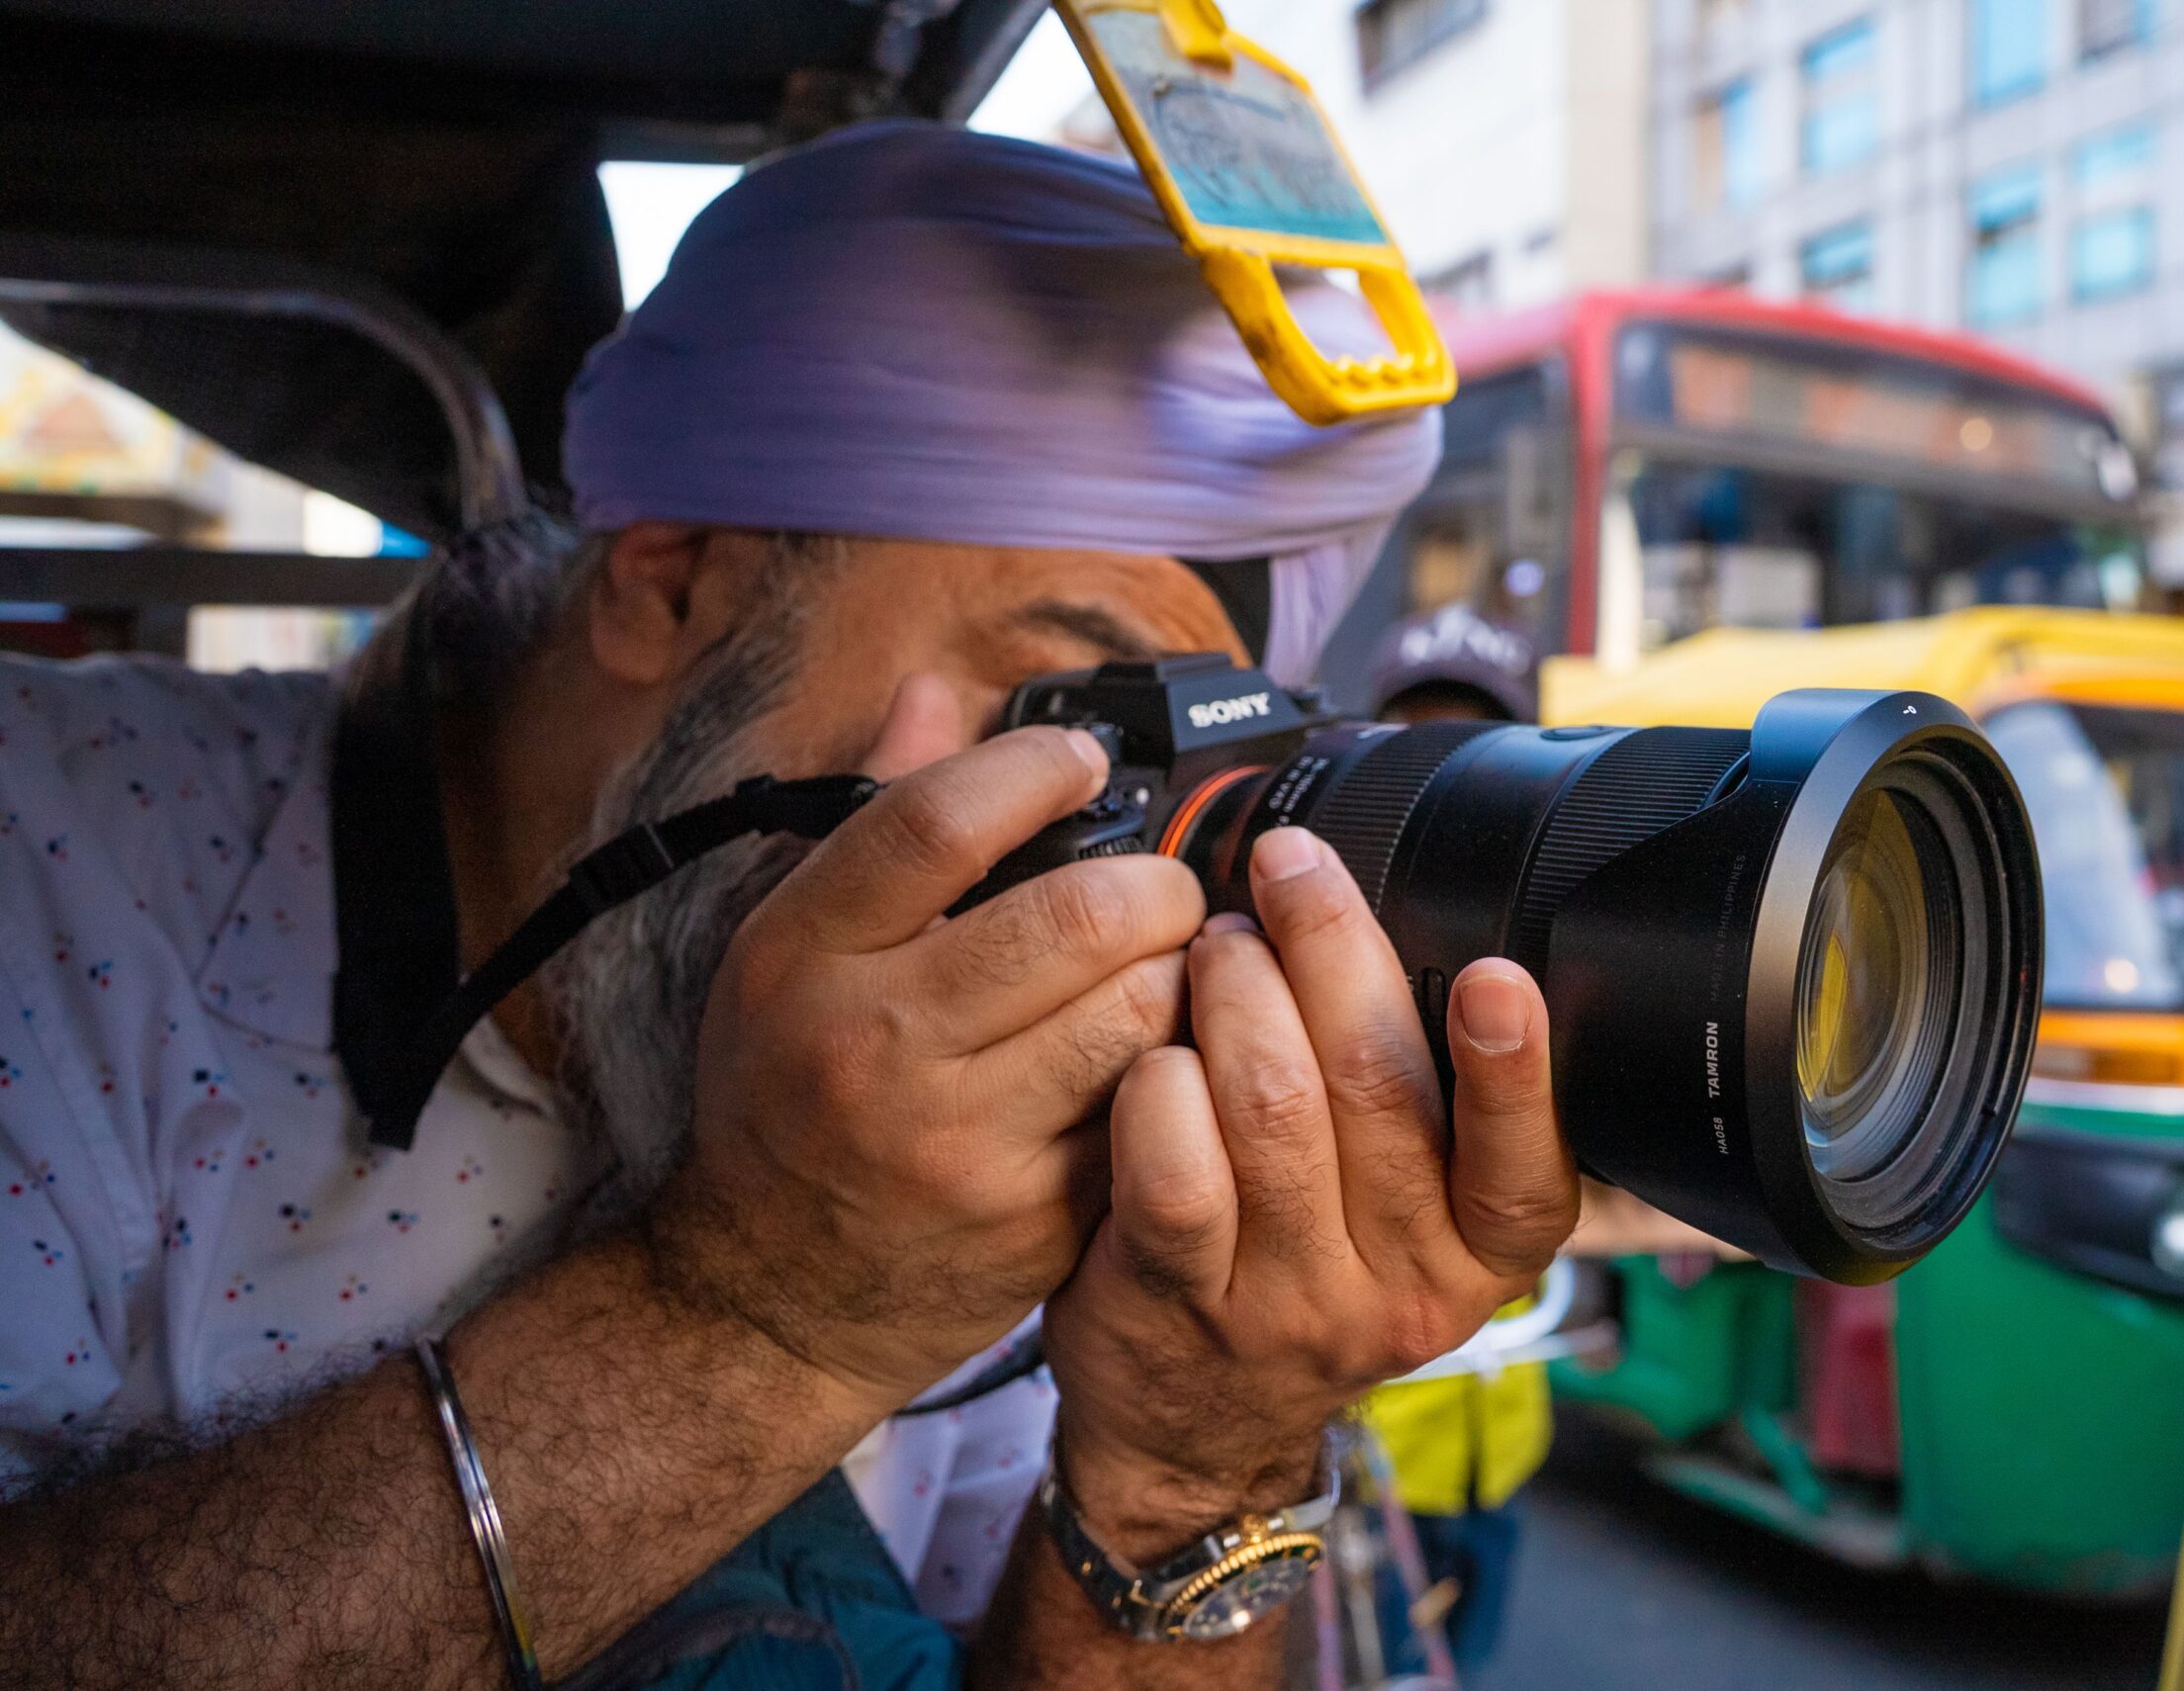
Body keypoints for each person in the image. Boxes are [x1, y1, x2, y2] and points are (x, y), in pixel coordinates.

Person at [0, 122, 1581, 1688]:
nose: (1116, 870)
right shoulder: (56, 857)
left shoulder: (1011, 1057)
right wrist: (762, 1321)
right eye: (1064, 704)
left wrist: (1188, 1478)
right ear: (671, 577)